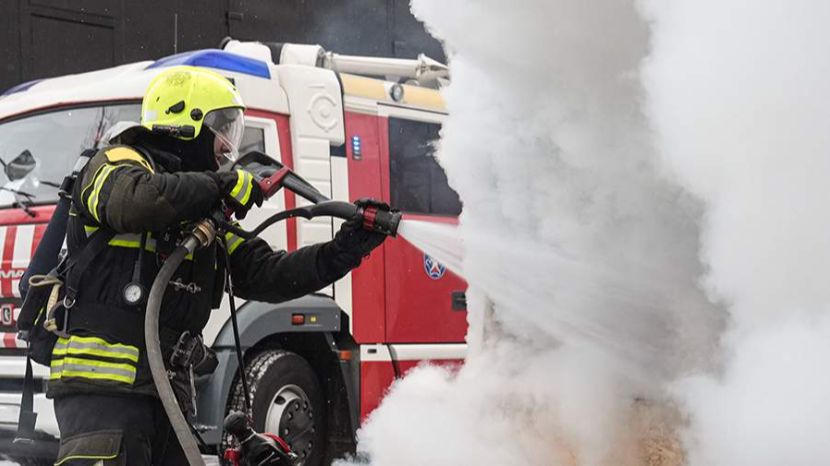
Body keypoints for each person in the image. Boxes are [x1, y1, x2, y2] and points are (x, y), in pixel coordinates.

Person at [47, 65, 386, 465]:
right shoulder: (114, 164)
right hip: (103, 391)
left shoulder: (200, 216)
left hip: (166, 394)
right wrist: (223, 185)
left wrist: (345, 249)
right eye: (222, 128)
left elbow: (268, 273)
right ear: (187, 123)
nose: (228, 146)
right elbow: (134, 202)